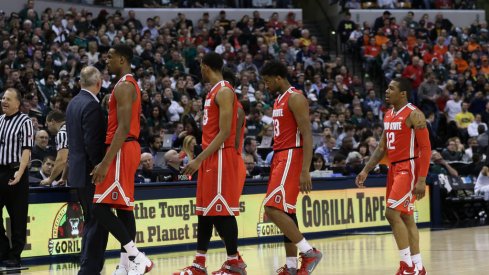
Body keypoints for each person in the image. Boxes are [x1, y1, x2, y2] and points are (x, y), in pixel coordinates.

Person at [175, 52, 246, 275]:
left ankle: (234, 263)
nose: (200, 70)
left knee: (223, 212)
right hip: (210, 158)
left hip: (222, 157)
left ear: (206, 67)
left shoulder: (224, 91)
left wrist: (197, 159)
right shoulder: (213, 92)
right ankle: (199, 264)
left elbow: (226, 133)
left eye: (200, 67)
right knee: (205, 212)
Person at [355, 78, 431, 275]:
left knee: (391, 213)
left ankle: (406, 266)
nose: (387, 91)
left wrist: (422, 179)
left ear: (403, 93)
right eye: (387, 87)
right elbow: (382, 148)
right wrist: (366, 170)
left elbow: (426, 148)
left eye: (391, 88)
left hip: (409, 167)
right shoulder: (388, 114)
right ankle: (418, 266)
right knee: (406, 217)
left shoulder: (415, 114)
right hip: (394, 169)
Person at [90, 45, 153, 275]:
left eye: (110, 57)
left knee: (99, 208)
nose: (106, 60)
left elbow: (124, 127)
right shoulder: (125, 85)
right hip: (126, 147)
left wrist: (105, 162)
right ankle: (125, 265)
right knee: (125, 209)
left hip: (121, 148)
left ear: (122, 59)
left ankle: (137, 257)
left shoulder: (125, 86)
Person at [260, 61, 322, 275]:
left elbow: (307, 135)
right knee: (287, 212)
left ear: (278, 78)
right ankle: (293, 267)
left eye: (267, 81)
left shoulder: (295, 98)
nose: (265, 86)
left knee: (271, 208)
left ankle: (308, 252)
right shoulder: (279, 99)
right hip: (279, 156)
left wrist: (306, 169)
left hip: (291, 156)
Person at [65, 66, 110, 275]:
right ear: (98, 83)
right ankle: (89, 268)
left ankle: (88, 264)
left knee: (91, 219)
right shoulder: (92, 105)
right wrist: (100, 166)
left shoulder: (73, 103)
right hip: (91, 172)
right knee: (97, 220)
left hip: (77, 172)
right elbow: (92, 143)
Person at [0, 88, 34, 268]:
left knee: (18, 218)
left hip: (16, 172)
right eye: (3, 98)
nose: (4, 101)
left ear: (17, 103)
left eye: (8, 99)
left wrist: (19, 174)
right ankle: (4, 250)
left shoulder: (25, 121)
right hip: (0, 172)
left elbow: (26, 149)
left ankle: (15, 256)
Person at [41, 110, 68, 187]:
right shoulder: (70, 129)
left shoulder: (62, 133)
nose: (47, 127)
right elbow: (69, 159)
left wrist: (50, 179)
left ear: (52, 121)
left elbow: (62, 160)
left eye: (47, 124)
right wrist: (64, 177)